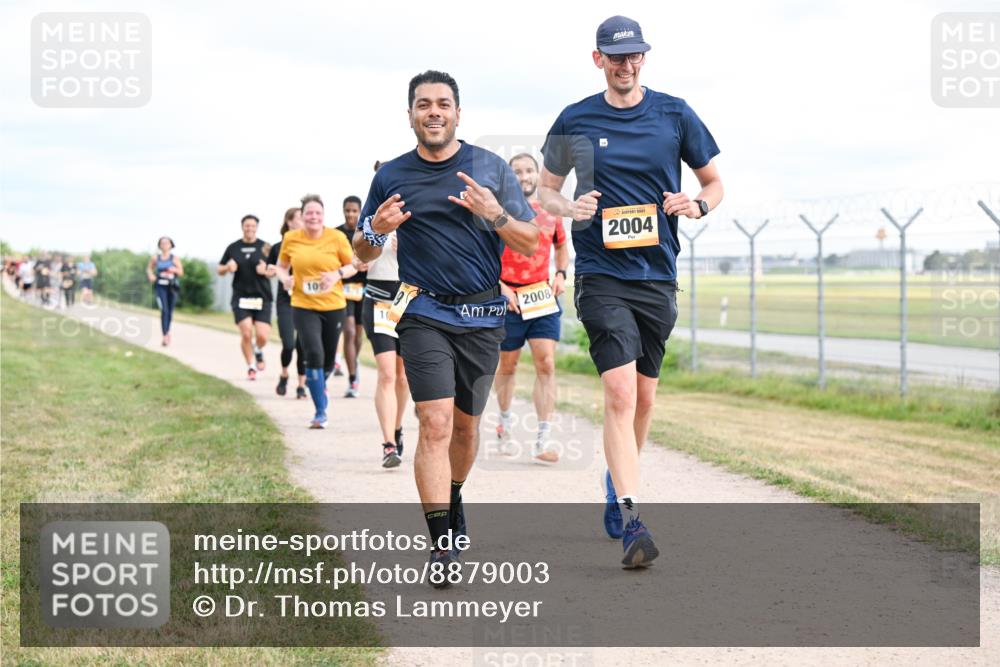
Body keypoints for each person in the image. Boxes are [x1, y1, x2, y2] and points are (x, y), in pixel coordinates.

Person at [538, 16, 723, 568]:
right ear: (598, 59)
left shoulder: (674, 113)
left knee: (644, 400)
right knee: (619, 394)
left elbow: (714, 183)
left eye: (635, 55)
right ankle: (633, 517)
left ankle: (617, 480)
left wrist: (697, 204)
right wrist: (570, 207)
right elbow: (546, 192)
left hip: (657, 275)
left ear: (645, 57)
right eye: (616, 56)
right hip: (600, 274)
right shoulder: (575, 118)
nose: (626, 64)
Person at [355, 70, 538, 581]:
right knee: (433, 422)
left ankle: (453, 496)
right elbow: (361, 251)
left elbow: (528, 242)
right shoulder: (391, 175)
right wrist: (377, 230)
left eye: (442, 104)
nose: (433, 111)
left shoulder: (490, 168)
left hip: (482, 317)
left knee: (465, 427)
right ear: (410, 115)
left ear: (458, 113)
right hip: (424, 313)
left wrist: (495, 214)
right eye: (423, 104)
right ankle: (440, 546)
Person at [494, 153, 569, 464]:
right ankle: (504, 425)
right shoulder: (498, 211)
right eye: (517, 172)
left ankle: (543, 438)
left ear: (537, 175)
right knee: (507, 366)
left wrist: (561, 273)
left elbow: (561, 245)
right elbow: (483, 254)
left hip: (541, 295)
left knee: (546, 364)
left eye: (528, 171)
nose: (523, 176)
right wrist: (500, 287)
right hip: (508, 297)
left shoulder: (551, 210)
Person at [275, 194, 358, 429]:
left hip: (333, 306)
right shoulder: (291, 238)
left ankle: (321, 383)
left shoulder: (336, 237)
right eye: (309, 213)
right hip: (303, 305)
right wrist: (285, 278)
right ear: (302, 216)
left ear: (323, 215)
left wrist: (336, 275)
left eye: (318, 213)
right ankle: (320, 412)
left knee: (328, 361)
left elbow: (353, 265)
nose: (313, 217)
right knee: (313, 353)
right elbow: (281, 267)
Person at [352, 160, 410, 469]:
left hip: (407, 300)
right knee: (387, 373)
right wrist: (358, 262)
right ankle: (388, 444)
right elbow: (358, 255)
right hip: (378, 300)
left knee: (403, 377)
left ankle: (397, 428)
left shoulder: (413, 215)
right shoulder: (371, 217)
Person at [218, 215, 273, 380]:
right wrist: (227, 267)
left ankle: (258, 349)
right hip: (241, 297)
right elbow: (219, 269)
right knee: (247, 333)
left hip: (262, 297)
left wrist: (266, 271)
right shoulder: (233, 247)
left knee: (262, 336)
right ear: (242, 227)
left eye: (253, 226)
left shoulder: (265, 247)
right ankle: (251, 366)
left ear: (257, 228)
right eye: (247, 226)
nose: (250, 229)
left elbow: (276, 269)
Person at [267, 207, 308, 399]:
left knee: (303, 345)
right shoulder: (278, 247)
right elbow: (270, 268)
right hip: (285, 301)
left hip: (305, 299)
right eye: (300, 217)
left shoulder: (309, 245)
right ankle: (284, 374)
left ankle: (301, 385)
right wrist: (272, 271)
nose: (304, 221)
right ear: (289, 222)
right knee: (289, 344)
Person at [337, 196, 369, 398]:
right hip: (344, 289)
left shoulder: (366, 231)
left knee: (357, 334)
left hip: (365, 289)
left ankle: (353, 362)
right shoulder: (336, 234)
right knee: (348, 331)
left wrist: (368, 263)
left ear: (360, 211)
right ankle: (352, 378)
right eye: (347, 210)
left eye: (354, 211)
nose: (350, 214)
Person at [147, 237, 183, 346]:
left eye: (167, 243)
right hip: (160, 287)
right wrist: (151, 275)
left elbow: (181, 272)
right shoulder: (155, 258)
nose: (165, 245)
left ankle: (167, 331)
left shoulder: (174, 258)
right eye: (162, 243)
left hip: (172, 287)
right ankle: (165, 335)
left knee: (170, 311)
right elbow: (149, 268)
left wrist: (174, 270)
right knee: (164, 310)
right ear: (159, 245)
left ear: (171, 245)